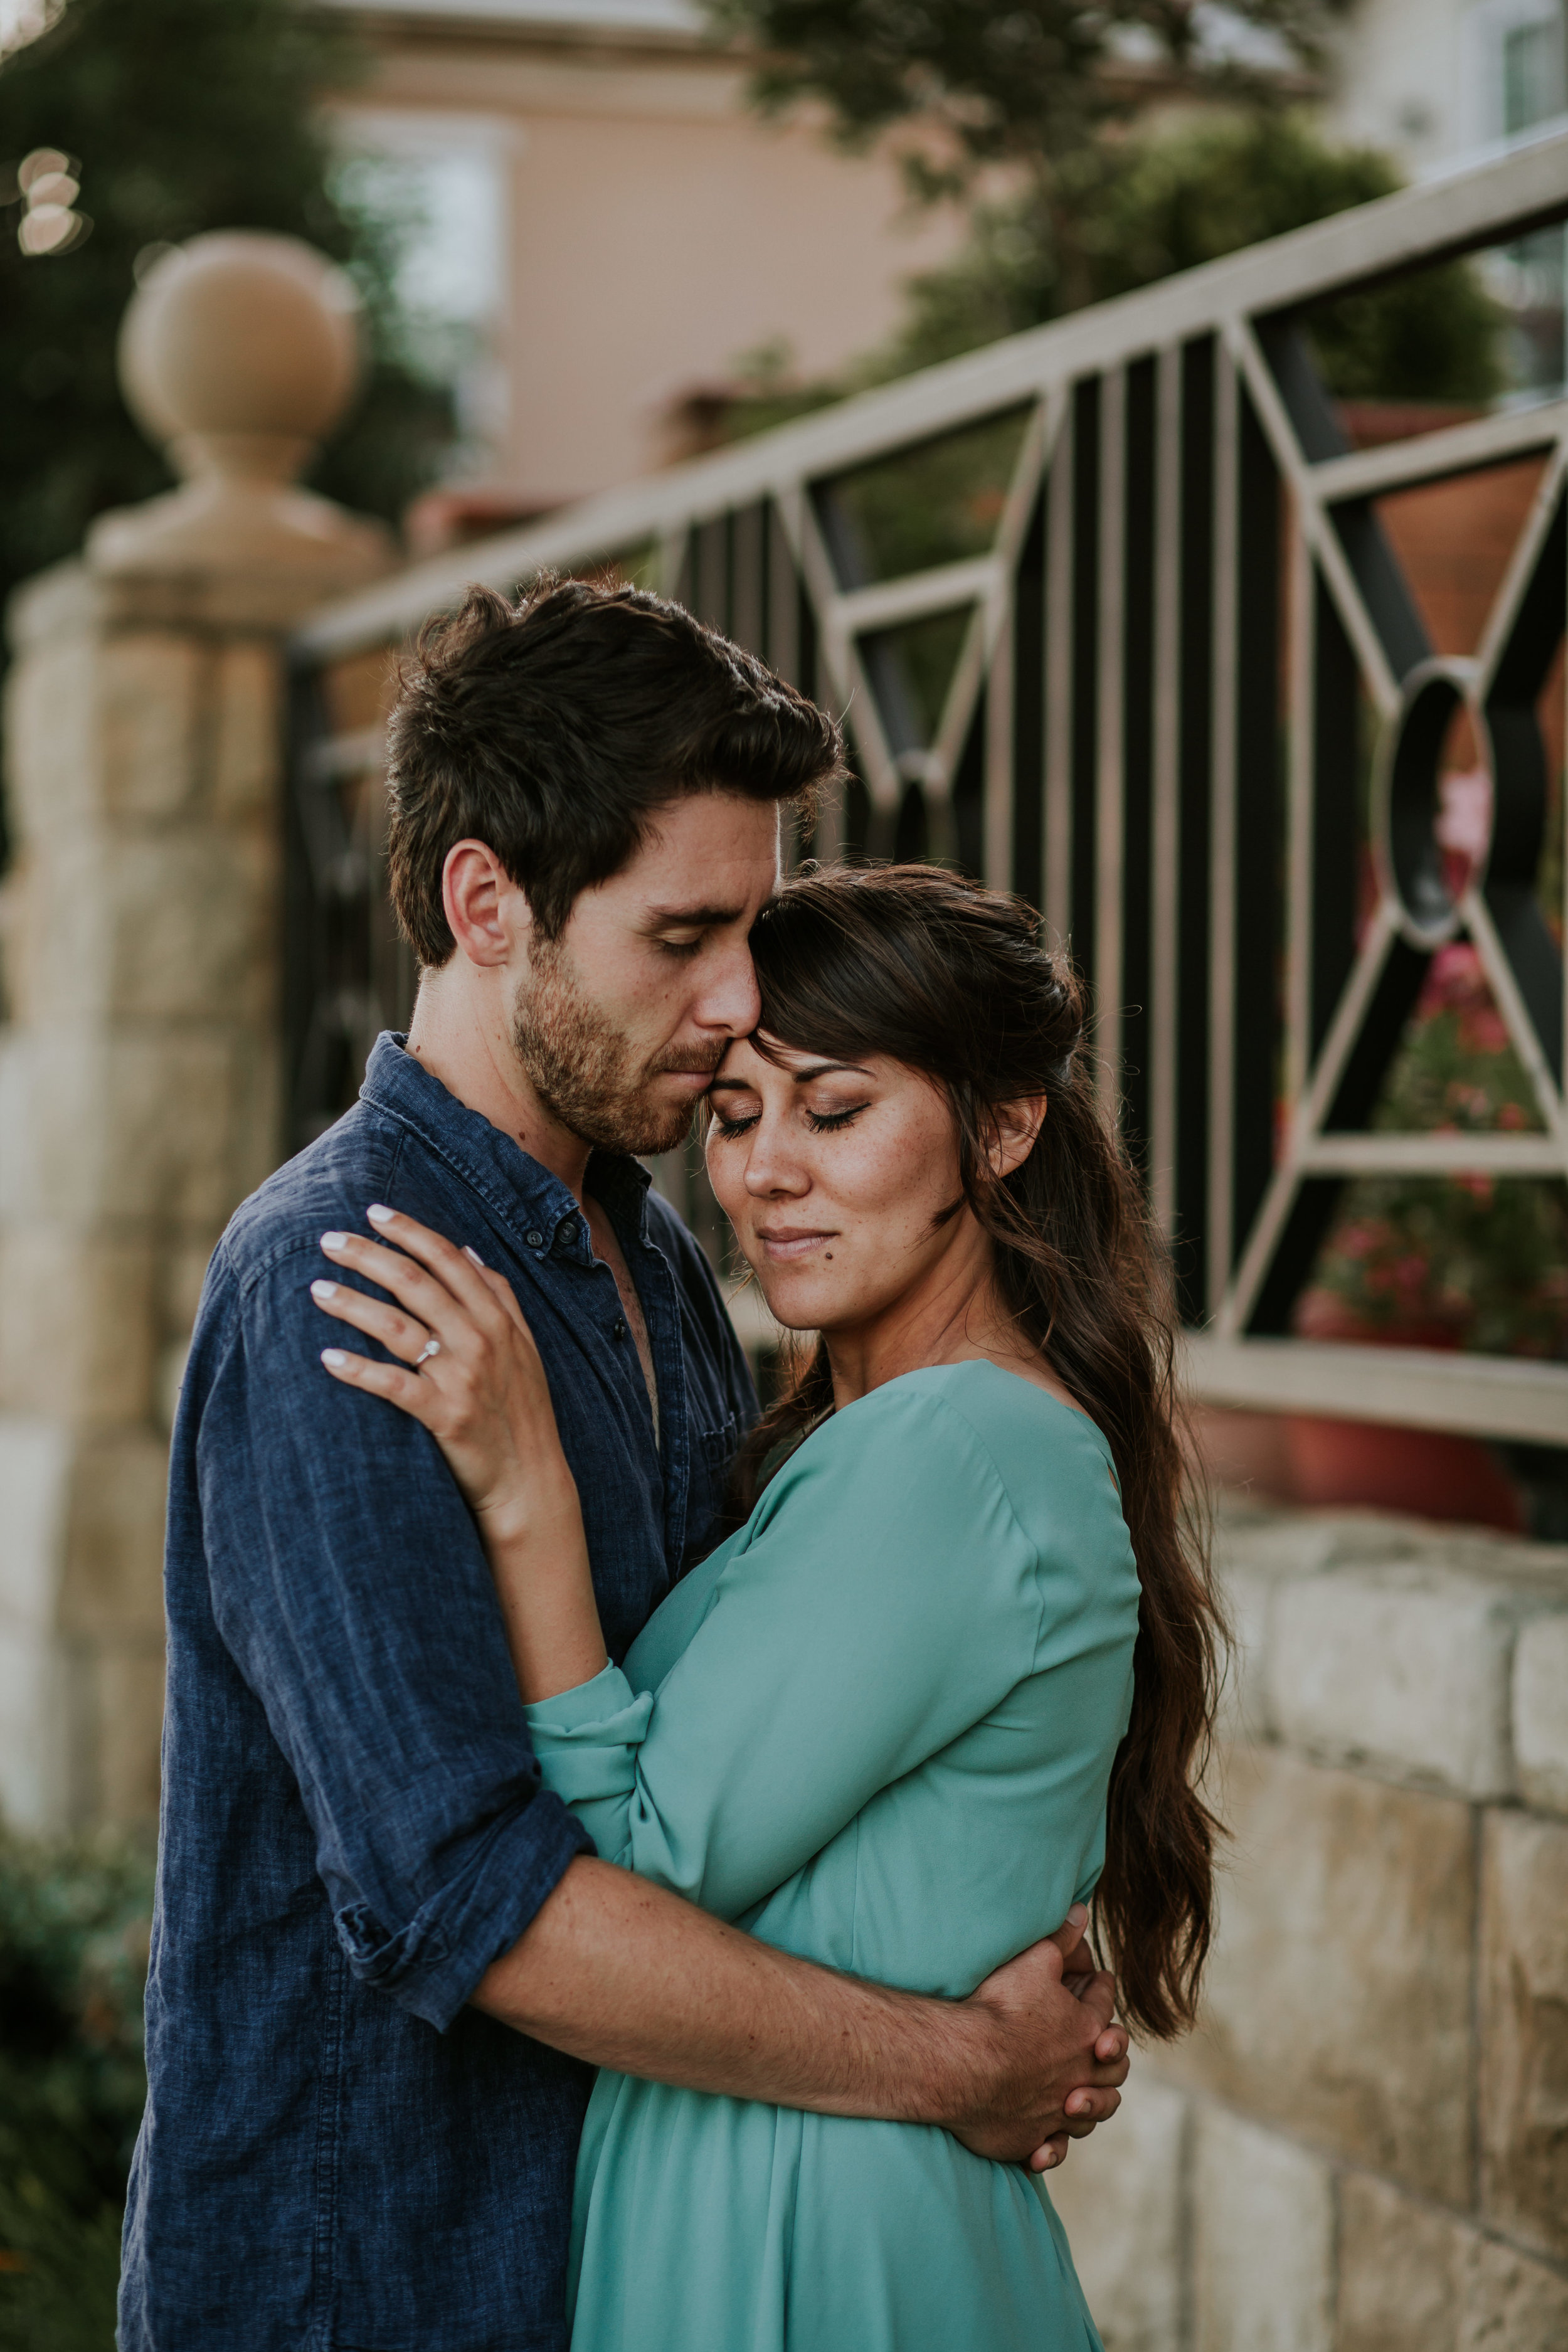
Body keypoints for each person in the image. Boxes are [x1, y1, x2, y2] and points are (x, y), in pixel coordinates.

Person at [120, 583, 1131, 2352]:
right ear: (487, 902)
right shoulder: (342, 1277)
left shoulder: (648, 1256)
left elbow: (736, 1746)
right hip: (373, 2285)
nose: (740, 998)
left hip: (626, 2258)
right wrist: (955, 2058)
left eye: (748, 925)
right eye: (684, 934)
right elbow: (475, 1909)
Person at [310, 862, 1226, 2352]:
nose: (763, 1174)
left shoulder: (953, 1449)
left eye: (836, 1108)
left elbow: (643, 1866)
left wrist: (528, 1493)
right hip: (773, 2193)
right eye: (736, 1117)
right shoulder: (876, 1442)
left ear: (1000, 1127)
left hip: (818, 2238)